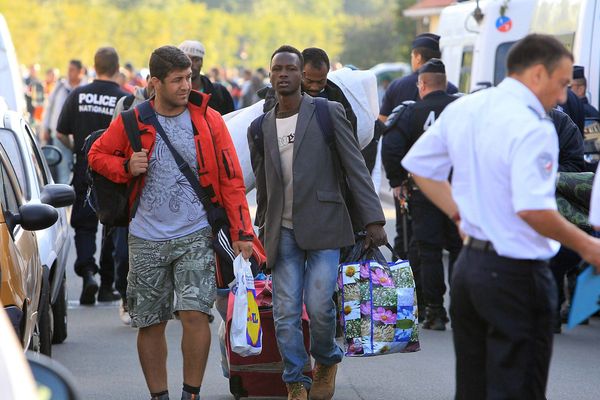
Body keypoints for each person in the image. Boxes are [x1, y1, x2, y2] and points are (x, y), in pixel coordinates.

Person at [401, 34, 600, 399]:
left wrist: (458, 212)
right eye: (560, 85)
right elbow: (533, 209)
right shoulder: (534, 126)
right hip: (517, 276)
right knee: (518, 389)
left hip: (470, 270)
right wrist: (588, 246)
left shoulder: (467, 107)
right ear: (538, 74)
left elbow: (420, 167)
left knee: (473, 389)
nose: (562, 97)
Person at [88, 45, 254, 400]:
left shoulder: (209, 120)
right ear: (154, 83)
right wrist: (125, 167)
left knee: (196, 314)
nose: (186, 85)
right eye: (177, 79)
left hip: (195, 234)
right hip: (145, 238)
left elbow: (231, 180)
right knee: (150, 321)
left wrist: (243, 233)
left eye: (189, 78)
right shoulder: (132, 120)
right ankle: (158, 396)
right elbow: (96, 154)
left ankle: (190, 394)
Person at [248, 45, 387, 400]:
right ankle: (296, 379)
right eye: (277, 68)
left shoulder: (327, 112)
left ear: (300, 74)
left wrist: (372, 219)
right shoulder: (261, 125)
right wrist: (259, 230)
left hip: (325, 225)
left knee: (320, 304)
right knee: (285, 311)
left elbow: (355, 166)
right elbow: (263, 183)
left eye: (289, 68)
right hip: (283, 230)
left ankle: (326, 359)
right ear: (270, 76)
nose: (283, 74)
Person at [382, 59, 462, 330]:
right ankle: (462, 310)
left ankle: (435, 311)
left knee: (428, 251)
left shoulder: (410, 112)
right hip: (458, 192)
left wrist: (397, 180)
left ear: (423, 85)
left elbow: (391, 147)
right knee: (459, 249)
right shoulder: (462, 109)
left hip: (423, 191)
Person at [56, 47, 128, 305]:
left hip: (84, 167)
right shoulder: (124, 98)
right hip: (113, 171)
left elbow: (60, 131)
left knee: (84, 225)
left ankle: (88, 273)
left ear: (94, 67)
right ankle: (108, 284)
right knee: (112, 225)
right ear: (117, 68)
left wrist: (77, 148)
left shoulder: (78, 95)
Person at [41, 59, 84, 184]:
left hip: (78, 137)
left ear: (80, 72)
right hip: (60, 135)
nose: (69, 73)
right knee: (62, 169)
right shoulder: (60, 87)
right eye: (68, 69)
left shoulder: (85, 89)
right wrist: (45, 127)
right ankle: (64, 198)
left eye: (72, 70)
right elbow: (49, 107)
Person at [178, 40, 234, 115]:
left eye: (196, 60)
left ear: (202, 62)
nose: (191, 64)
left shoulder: (219, 93)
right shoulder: (172, 92)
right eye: (186, 59)